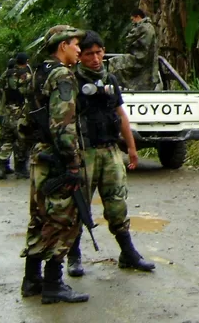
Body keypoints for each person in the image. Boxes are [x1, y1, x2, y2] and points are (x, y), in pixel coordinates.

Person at [65, 30, 155, 278]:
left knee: (117, 203)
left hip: (110, 150)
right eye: (88, 54)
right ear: (80, 56)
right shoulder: (71, 81)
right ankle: (73, 257)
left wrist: (132, 148)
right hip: (84, 153)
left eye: (99, 52)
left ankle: (128, 254)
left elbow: (120, 114)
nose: (95, 58)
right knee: (79, 206)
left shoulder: (110, 79)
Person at [20, 25, 90, 304]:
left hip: (40, 155)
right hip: (57, 158)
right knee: (62, 219)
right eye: (75, 45)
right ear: (62, 46)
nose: (79, 50)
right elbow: (63, 124)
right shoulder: (62, 75)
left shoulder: (38, 73)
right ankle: (53, 283)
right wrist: (72, 162)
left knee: (38, 216)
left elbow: (24, 123)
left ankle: (31, 279)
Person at [0, 53, 33, 180]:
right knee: (22, 140)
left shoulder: (7, 74)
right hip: (20, 112)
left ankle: (2, 167)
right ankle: (20, 169)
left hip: (6, 111)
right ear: (26, 61)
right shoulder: (27, 76)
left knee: (5, 140)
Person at [111, 8, 159, 90]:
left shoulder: (142, 27)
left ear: (138, 17)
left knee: (113, 62)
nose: (132, 22)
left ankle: (117, 88)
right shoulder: (150, 26)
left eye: (133, 19)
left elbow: (128, 40)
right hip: (147, 58)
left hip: (140, 58)